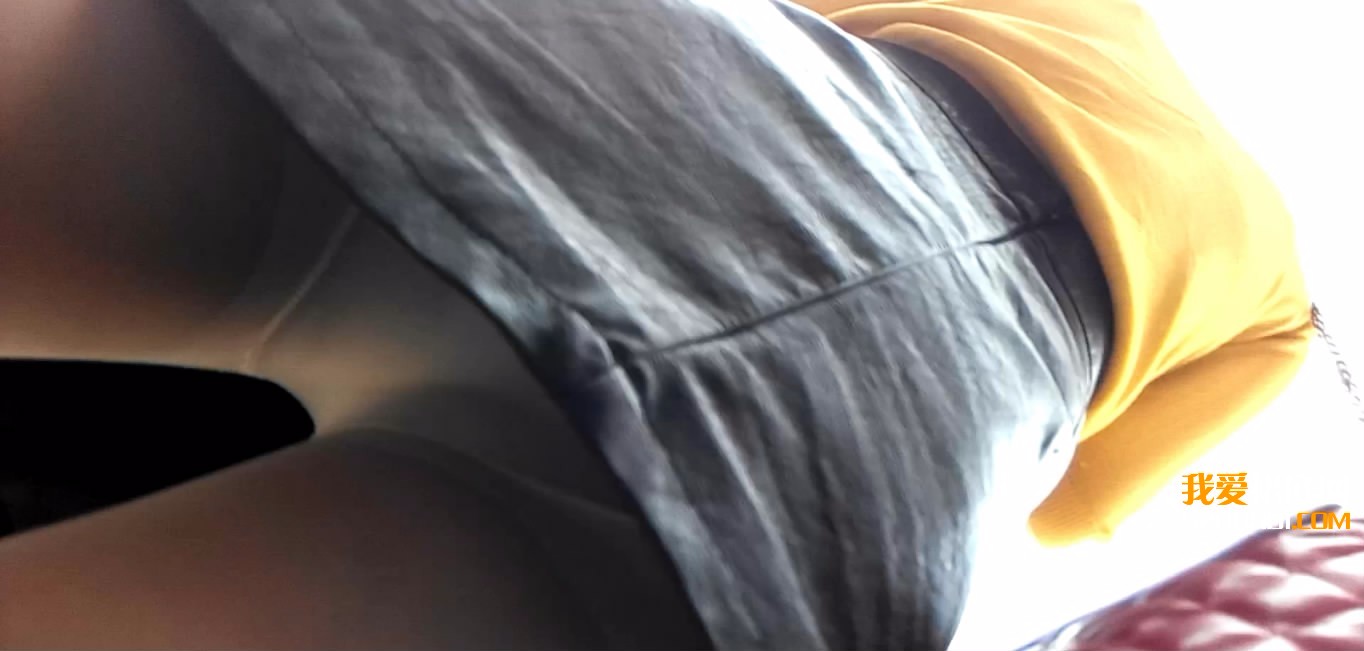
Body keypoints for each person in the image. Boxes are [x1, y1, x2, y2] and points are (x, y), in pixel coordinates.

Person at [0, 1, 1309, 649]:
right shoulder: (1279, 319)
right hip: (871, 455)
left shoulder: (1096, 16)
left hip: (670, 103)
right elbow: (1080, 509)